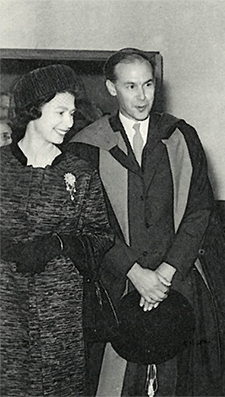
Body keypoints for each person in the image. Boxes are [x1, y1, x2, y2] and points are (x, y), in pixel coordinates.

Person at [69, 48, 225, 396]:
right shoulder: (88, 147)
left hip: (179, 283)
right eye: (130, 86)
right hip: (118, 286)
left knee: (183, 382)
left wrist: (164, 273)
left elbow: (199, 210)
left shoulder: (180, 137)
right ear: (111, 88)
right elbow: (88, 224)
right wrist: (135, 272)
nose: (142, 96)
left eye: (148, 84)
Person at [0, 64, 114, 396]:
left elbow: (101, 237)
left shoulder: (80, 172)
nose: (69, 122)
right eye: (60, 112)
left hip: (61, 317)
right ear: (32, 110)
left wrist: (59, 244)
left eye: (72, 112)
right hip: (5, 312)